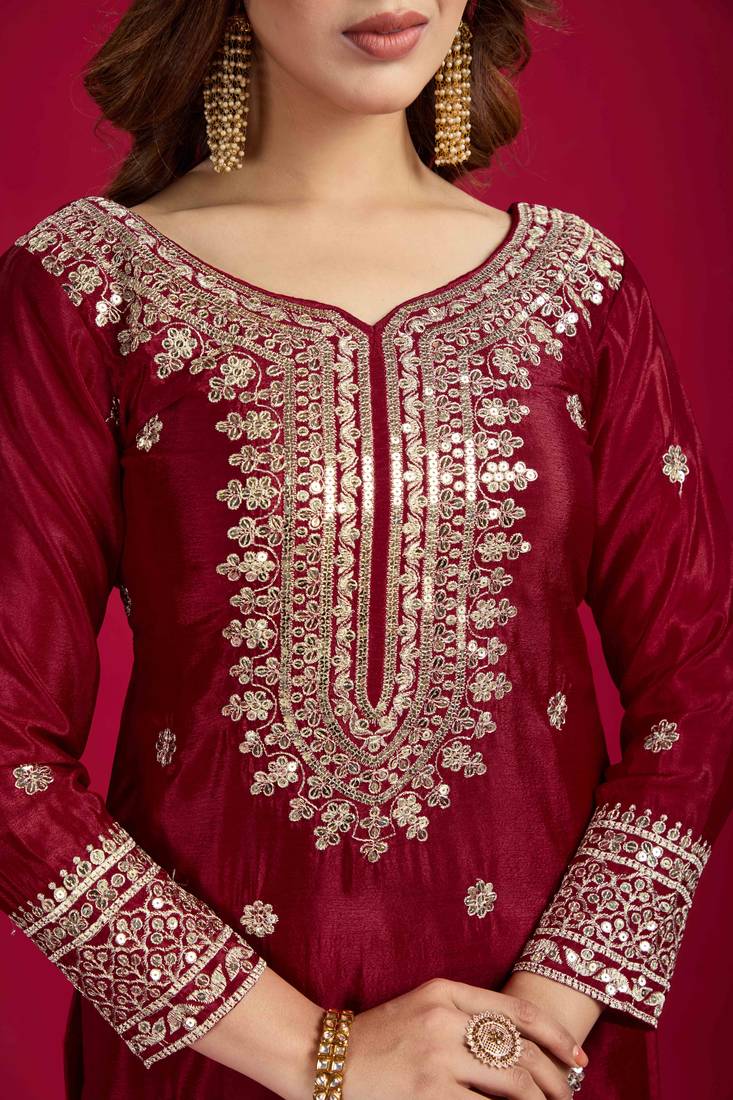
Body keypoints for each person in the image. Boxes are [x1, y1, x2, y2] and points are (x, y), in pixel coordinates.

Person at [1, 1, 731, 1098]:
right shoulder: (89, 285)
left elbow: (699, 682)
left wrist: (526, 1033)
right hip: (215, 1059)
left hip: (541, 1059)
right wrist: (317, 1057)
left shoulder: (579, 289)